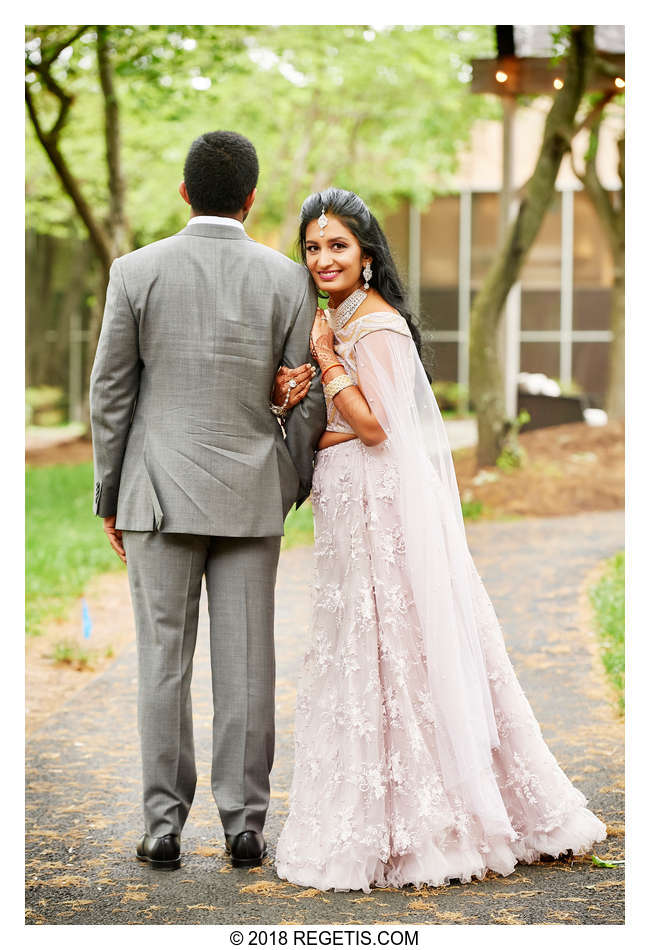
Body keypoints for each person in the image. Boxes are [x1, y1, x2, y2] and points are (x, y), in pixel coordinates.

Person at [273, 187, 607, 893]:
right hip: (350, 511)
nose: (323, 258)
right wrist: (297, 392)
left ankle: (440, 824)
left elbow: (375, 428)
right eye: (312, 247)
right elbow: (340, 421)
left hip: (382, 512)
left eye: (338, 246)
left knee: (401, 648)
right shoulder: (338, 317)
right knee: (360, 653)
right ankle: (372, 816)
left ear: (367, 257)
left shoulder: (379, 325)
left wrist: (327, 360)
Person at [89, 131, 326, 872]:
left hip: (155, 497)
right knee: (248, 666)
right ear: (251, 198)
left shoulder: (135, 271)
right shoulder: (290, 280)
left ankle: (162, 828)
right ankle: (244, 826)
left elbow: (111, 394)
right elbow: (306, 397)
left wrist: (110, 493)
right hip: (252, 496)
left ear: (185, 193)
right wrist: (283, 484)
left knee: (162, 662)